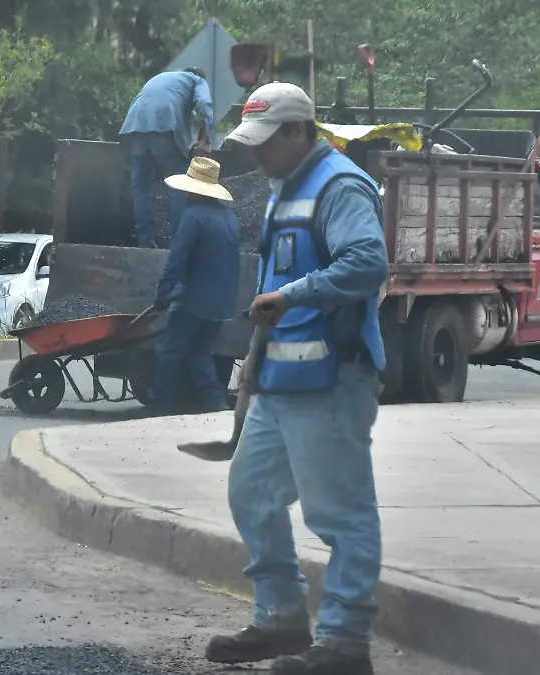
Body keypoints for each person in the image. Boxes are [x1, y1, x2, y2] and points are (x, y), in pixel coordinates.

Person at [204, 82, 390, 675]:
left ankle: (343, 644)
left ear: (296, 131)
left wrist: (291, 295)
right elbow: (274, 281)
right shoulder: (286, 186)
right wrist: (253, 366)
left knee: (340, 514)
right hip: (282, 383)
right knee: (251, 495)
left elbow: (367, 263)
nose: (256, 155)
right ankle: (281, 619)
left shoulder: (340, 185)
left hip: (332, 381)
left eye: (264, 142)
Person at [149, 156, 240, 414]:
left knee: (169, 349)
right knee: (199, 350)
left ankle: (157, 406)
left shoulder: (193, 217)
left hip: (194, 300)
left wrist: (162, 295)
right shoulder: (230, 219)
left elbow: (176, 261)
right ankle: (215, 401)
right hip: (222, 303)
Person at [120, 67, 215, 248]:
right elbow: (204, 105)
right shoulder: (197, 81)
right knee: (178, 184)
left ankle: (144, 241)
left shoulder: (164, 78)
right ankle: (178, 243)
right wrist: (206, 141)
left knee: (141, 187)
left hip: (135, 125)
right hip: (163, 124)